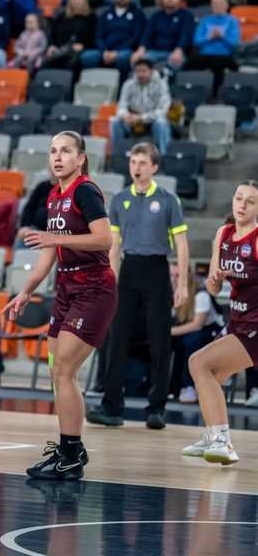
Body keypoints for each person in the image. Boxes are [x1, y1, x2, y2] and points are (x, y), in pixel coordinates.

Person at [5, 131, 116, 480]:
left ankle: (70, 455)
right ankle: (72, 449)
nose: (57, 156)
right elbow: (49, 254)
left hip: (94, 289)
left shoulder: (85, 190)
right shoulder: (54, 195)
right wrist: (25, 292)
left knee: (65, 371)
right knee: (59, 374)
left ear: (80, 158)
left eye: (65, 151)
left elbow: (104, 238)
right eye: (53, 151)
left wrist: (57, 237)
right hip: (67, 290)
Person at [88, 142, 189, 430]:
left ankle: (157, 408)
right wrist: (110, 279)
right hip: (129, 270)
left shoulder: (168, 200)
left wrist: (182, 284)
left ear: (154, 167)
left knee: (160, 341)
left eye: (143, 162)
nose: (137, 167)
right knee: (116, 338)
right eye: (133, 162)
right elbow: (114, 245)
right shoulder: (120, 199)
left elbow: (181, 244)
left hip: (157, 270)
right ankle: (111, 406)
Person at [183, 181, 258, 464]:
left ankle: (222, 441)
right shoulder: (223, 233)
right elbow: (213, 289)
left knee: (198, 362)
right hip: (237, 320)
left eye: (250, 201)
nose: (242, 205)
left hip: (255, 325)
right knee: (210, 376)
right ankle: (213, 435)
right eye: (239, 198)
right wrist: (215, 280)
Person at [171, 263, 223, 404]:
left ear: (187, 276)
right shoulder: (170, 293)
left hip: (211, 331)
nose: (174, 279)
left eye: (178, 275)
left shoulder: (200, 293)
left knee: (191, 341)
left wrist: (169, 332)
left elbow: (197, 324)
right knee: (167, 343)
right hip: (188, 330)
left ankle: (190, 386)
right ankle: (170, 387)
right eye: (171, 275)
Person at [80, 0, 146, 74]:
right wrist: (104, 51)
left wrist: (116, 52)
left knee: (123, 57)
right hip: (105, 49)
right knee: (87, 56)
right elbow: (98, 36)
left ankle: (120, 82)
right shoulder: (105, 14)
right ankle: (93, 81)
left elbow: (136, 37)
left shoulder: (138, 14)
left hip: (126, 49)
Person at [111, 58, 171, 156]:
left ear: (151, 71)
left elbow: (163, 110)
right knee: (115, 121)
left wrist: (142, 118)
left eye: (144, 71)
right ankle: (118, 155)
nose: (140, 74)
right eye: (138, 71)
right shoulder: (128, 84)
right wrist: (125, 115)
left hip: (152, 121)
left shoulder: (161, 84)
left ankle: (163, 156)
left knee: (161, 122)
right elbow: (121, 105)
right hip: (132, 121)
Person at [186, 0, 241, 93]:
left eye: (221, 3)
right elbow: (196, 41)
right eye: (215, 3)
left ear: (227, 5)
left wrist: (222, 36)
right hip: (205, 56)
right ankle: (191, 92)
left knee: (219, 64)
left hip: (225, 56)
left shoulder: (233, 21)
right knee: (189, 64)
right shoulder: (205, 20)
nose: (218, 6)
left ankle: (216, 95)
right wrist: (209, 37)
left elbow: (235, 43)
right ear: (211, 5)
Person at [131, 0, 194, 73]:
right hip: (154, 52)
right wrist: (141, 49)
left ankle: (164, 80)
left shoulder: (187, 16)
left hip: (175, 52)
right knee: (138, 60)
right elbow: (147, 34)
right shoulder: (156, 16)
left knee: (175, 63)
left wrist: (179, 50)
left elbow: (185, 35)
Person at [43, 0, 95, 71]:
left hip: (79, 50)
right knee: (47, 60)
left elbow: (94, 36)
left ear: (85, 0)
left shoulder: (91, 17)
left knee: (72, 62)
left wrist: (84, 46)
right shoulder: (62, 16)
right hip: (60, 48)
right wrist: (52, 46)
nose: (76, 1)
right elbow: (52, 33)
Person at [14, 177, 54, 245]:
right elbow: (29, 208)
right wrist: (25, 226)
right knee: (22, 236)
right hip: (36, 229)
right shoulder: (43, 186)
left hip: (56, 234)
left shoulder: (69, 189)